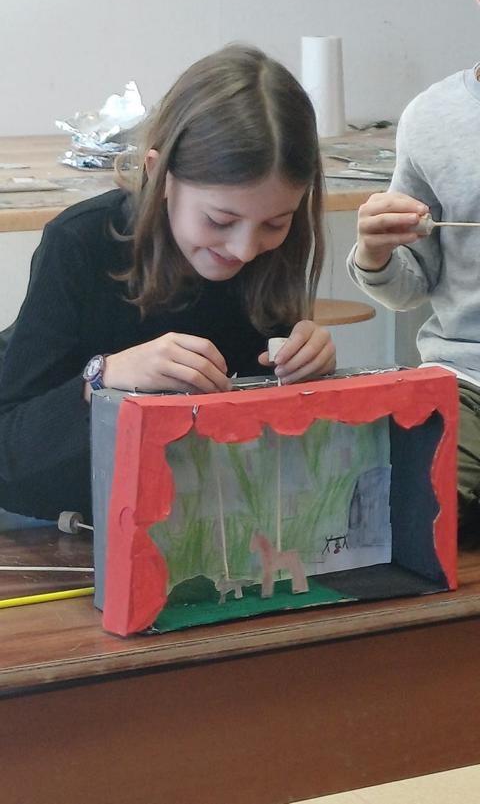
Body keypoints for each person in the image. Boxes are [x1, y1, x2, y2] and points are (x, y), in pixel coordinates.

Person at [0, 44, 336, 522]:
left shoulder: (273, 252)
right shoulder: (78, 244)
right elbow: (10, 449)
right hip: (70, 512)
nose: (244, 249)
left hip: (198, 514)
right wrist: (104, 378)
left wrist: (310, 371)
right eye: (219, 220)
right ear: (159, 173)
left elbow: (261, 436)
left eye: (275, 223)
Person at [346, 0, 480, 543]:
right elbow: (411, 285)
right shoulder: (434, 119)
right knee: (410, 512)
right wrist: (374, 254)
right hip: (469, 381)